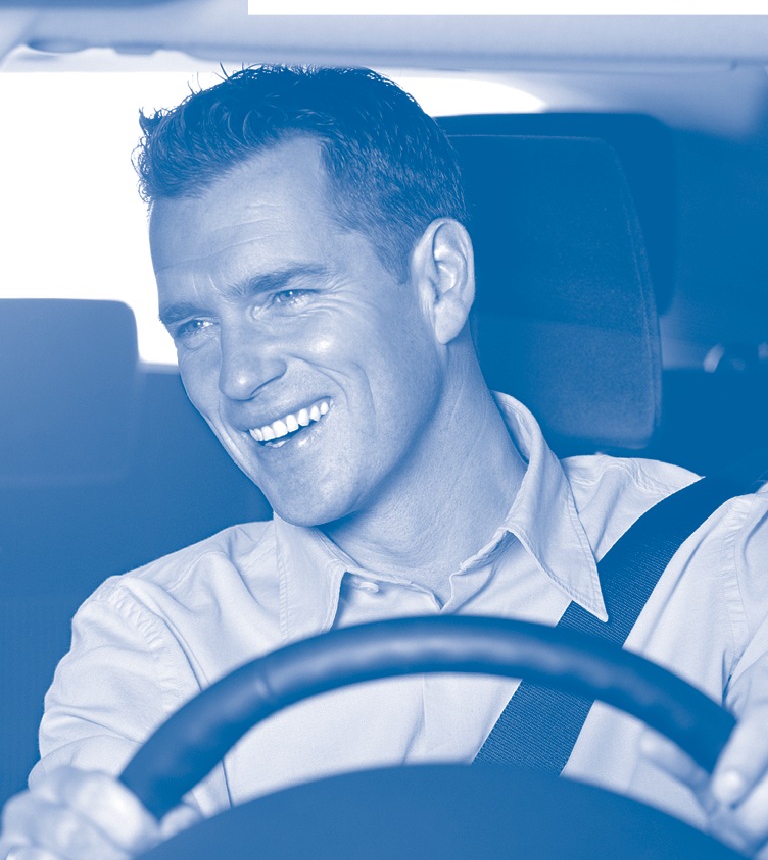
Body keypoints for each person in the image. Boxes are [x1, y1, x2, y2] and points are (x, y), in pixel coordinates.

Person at [2, 65, 768, 858]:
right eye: (195, 326)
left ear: (441, 281)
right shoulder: (157, 637)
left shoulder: (728, 566)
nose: (236, 377)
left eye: (286, 296)